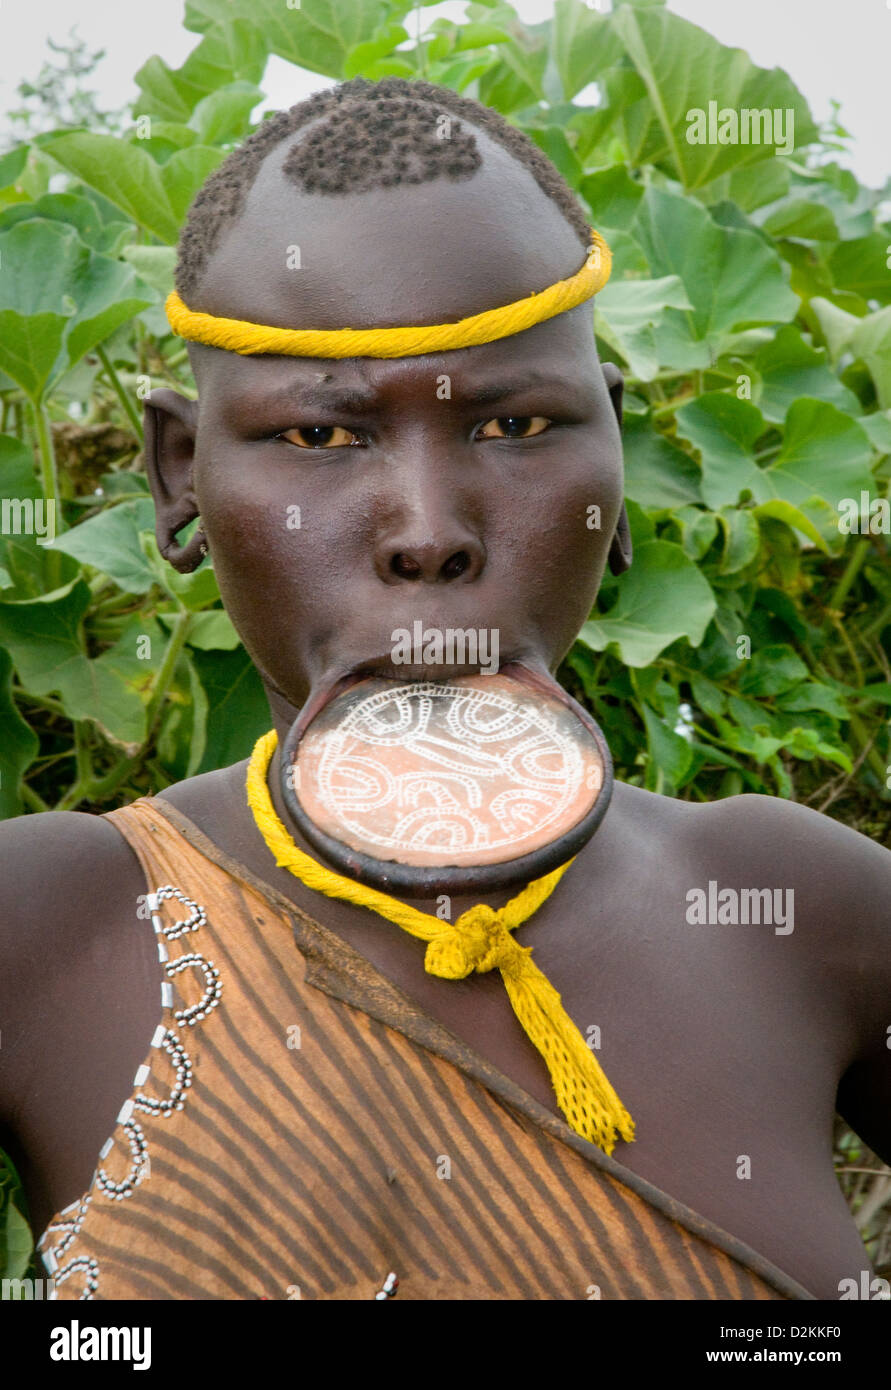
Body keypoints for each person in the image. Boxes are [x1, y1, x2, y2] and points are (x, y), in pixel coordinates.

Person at [0, 76, 888, 1302]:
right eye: (321, 436)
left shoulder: (801, 908)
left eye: (517, 427)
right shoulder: (44, 931)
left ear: (616, 463)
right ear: (177, 477)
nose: (428, 533)